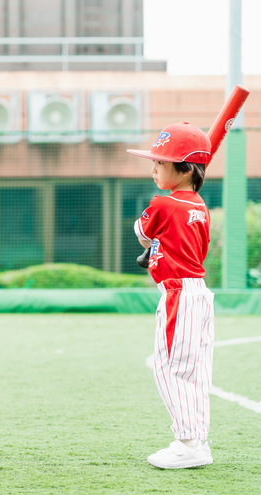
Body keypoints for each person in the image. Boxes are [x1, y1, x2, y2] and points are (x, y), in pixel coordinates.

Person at [127, 122, 215, 469]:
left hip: (178, 294)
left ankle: (189, 443)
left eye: (160, 163)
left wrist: (152, 241)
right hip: (198, 294)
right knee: (194, 372)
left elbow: (141, 233)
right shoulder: (200, 206)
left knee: (171, 369)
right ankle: (197, 439)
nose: (153, 169)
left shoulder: (163, 204)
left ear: (185, 168)